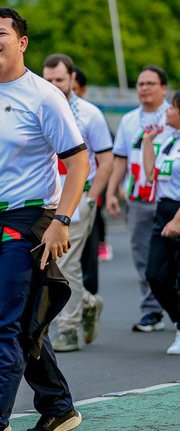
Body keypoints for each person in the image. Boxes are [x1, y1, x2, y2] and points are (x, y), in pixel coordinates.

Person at [0, 7, 88, 431]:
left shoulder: (44, 96)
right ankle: (58, 404)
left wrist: (61, 220)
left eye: (0, 34)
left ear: (22, 42)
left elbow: (78, 162)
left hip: (25, 222)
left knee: (4, 325)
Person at [42, 55, 113, 352]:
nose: (54, 85)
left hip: (78, 197)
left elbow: (106, 159)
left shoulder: (90, 114)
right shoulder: (37, 106)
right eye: (48, 80)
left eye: (59, 79)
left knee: (67, 261)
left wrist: (91, 198)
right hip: (44, 199)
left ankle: (68, 329)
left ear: (72, 79)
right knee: (46, 263)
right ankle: (87, 302)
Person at [106, 65, 171, 332]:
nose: (144, 88)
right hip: (138, 200)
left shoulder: (173, 116)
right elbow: (120, 159)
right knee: (143, 257)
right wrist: (111, 191)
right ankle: (151, 311)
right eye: (140, 84)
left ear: (163, 88)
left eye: (150, 84)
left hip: (169, 198)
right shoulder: (129, 120)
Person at [142, 91, 180, 354]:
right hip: (163, 212)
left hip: (178, 212)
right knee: (155, 275)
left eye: (172, 108)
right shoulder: (170, 140)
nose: (167, 111)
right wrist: (148, 142)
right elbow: (150, 174)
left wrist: (178, 219)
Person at [73, 67, 113, 263]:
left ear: (82, 90)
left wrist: (94, 194)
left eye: (75, 88)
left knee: (95, 218)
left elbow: (108, 155)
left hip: (90, 181)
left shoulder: (91, 114)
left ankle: (101, 242)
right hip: (59, 187)